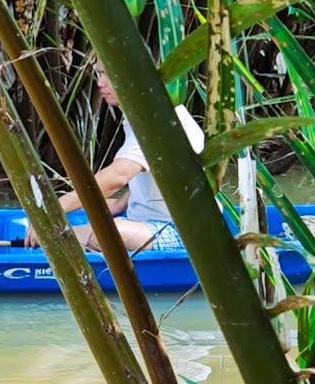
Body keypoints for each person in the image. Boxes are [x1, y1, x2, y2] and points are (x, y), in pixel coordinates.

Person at [24, 61, 205, 252]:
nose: (100, 83)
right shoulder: (142, 112)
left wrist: (51, 211)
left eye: (108, 74)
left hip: (184, 232)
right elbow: (162, 175)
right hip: (146, 222)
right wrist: (120, 204)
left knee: (106, 233)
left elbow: (118, 176)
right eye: (99, 74)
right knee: (95, 226)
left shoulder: (156, 120)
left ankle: (51, 239)